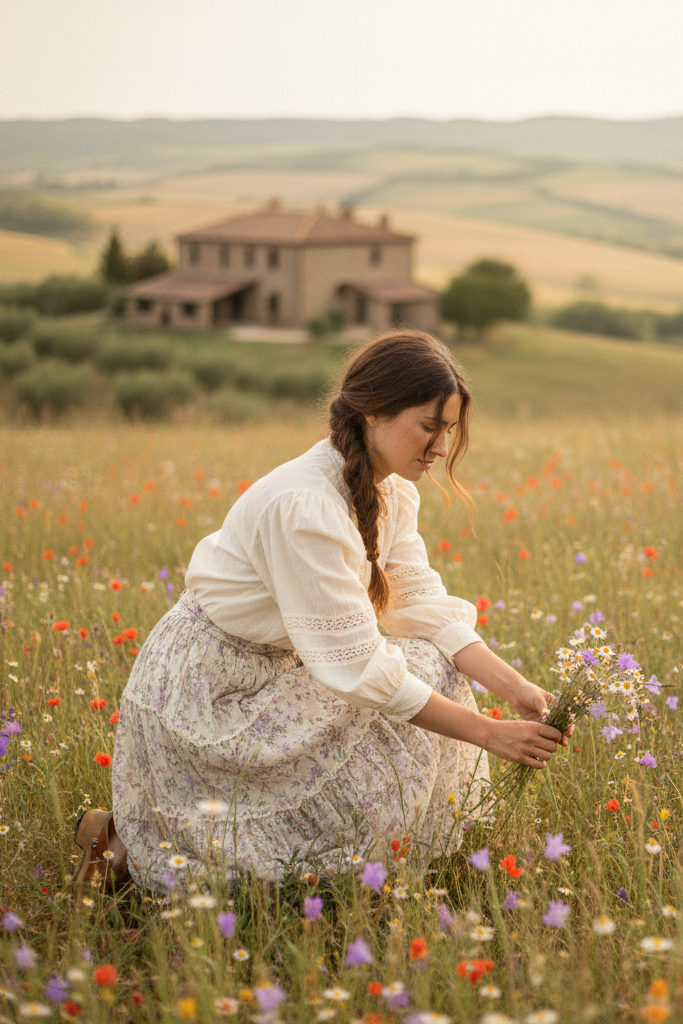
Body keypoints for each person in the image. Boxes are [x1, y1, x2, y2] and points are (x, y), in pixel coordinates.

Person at [74, 329, 571, 892]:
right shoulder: (304, 504)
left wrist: (516, 691)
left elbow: (420, 604)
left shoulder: (392, 491)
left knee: (432, 663)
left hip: (284, 671)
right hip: (211, 691)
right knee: (398, 697)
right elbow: (357, 665)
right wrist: (487, 733)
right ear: (373, 413)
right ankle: (122, 845)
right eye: (427, 426)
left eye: (448, 430)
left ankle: (392, 863)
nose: (438, 447)